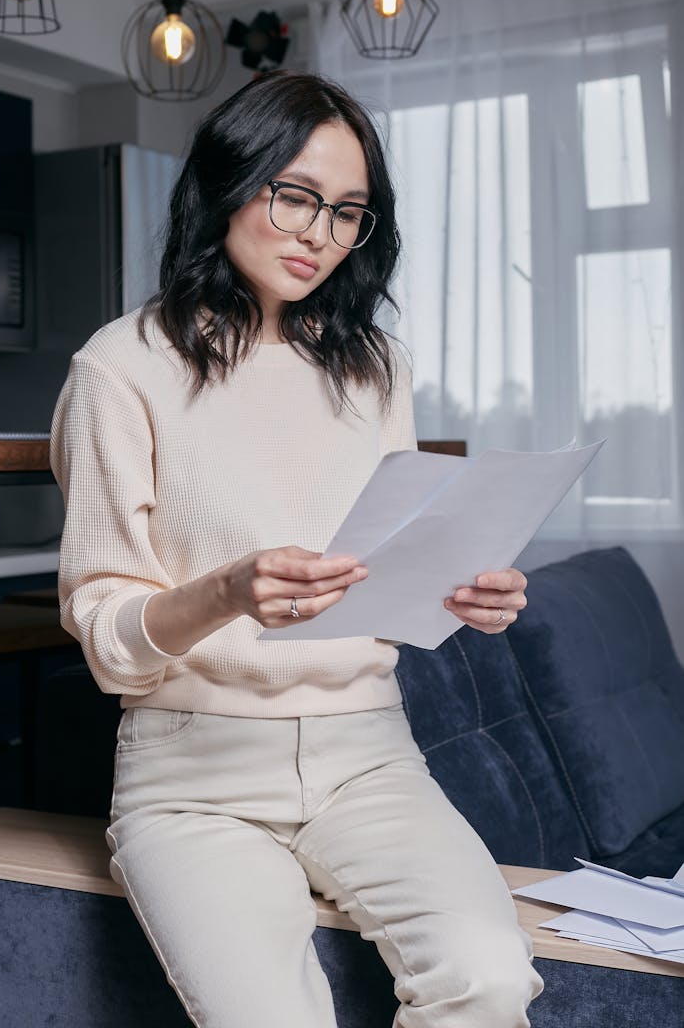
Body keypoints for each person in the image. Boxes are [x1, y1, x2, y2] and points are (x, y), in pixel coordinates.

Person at [50, 71, 544, 1028]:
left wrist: (462, 588)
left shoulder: (375, 366)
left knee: (486, 977)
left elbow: (388, 552)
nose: (320, 234)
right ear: (229, 185)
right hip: (194, 774)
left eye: (349, 212)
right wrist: (228, 591)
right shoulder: (119, 368)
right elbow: (106, 633)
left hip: (371, 754)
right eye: (296, 196)